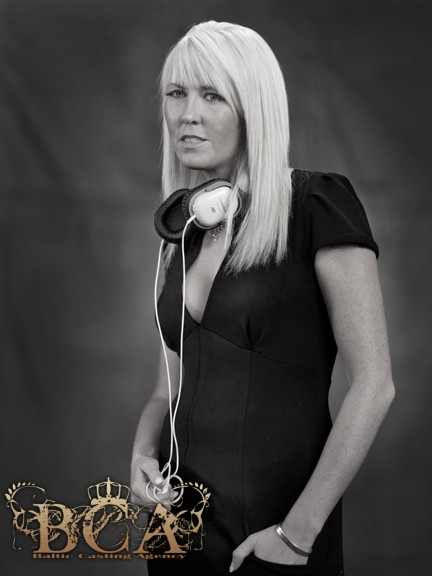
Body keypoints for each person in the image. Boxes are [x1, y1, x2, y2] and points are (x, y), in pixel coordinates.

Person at [130, 20, 395, 576]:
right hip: (177, 534)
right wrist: (142, 456)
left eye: (212, 95)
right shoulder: (184, 231)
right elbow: (167, 386)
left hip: (274, 538)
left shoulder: (318, 205)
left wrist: (297, 535)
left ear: (254, 108)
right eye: (176, 93)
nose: (187, 115)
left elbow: (374, 386)